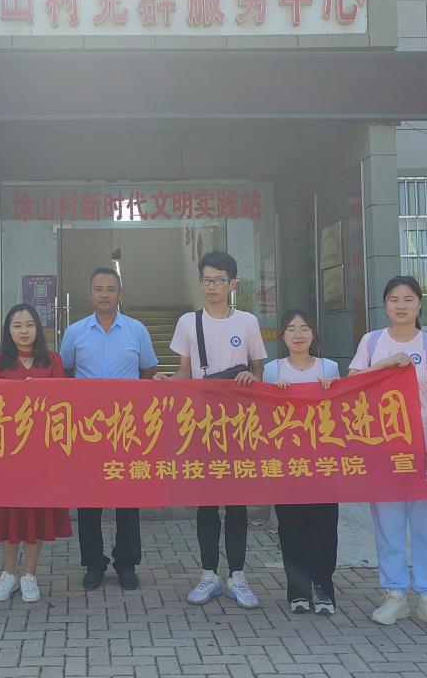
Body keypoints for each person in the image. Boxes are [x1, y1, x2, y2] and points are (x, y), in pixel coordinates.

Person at [349, 275, 427, 632]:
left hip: (422, 451)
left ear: (419, 304)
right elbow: (352, 385)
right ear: (385, 305)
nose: (401, 305)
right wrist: (384, 365)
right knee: (388, 526)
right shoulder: (372, 342)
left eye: (408, 299)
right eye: (394, 299)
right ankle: (394, 595)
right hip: (382, 453)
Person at [159, 251, 266, 609]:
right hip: (202, 423)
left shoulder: (248, 322)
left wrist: (251, 376)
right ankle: (208, 574)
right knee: (206, 504)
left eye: (219, 280)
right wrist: (168, 382)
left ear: (232, 283)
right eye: (206, 280)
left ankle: (237, 576)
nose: (212, 286)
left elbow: (259, 370)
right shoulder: (189, 322)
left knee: (237, 503)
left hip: (238, 423)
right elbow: (185, 371)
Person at [59, 267, 157, 592]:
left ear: (119, 294)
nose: (104, 294)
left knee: (127, 498)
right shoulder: (74, 332)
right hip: (87, 428)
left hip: (126, 428)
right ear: (89, 294)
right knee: (89, 498)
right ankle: (93, 564)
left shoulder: (137, 330)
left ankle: (126, 564)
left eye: (111, 289)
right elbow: (65, 371)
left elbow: (148, 370)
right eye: (98, 289)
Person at [0, 304, 72, 604]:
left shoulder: (53, 360)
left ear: (38, 329)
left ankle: (29, 574)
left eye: (29, 325)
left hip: (42, 453)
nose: (23, 331)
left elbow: (64, 403)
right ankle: (8, 573)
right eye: (17, 325)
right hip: (6, 453)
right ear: (8, 330)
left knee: (36, 513)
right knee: (8, 512)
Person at [264, 309, 341, 615]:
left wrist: (331, 392)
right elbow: (264, 416)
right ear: (283, 336)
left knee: (324, 527)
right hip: (286, 464)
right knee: (291, 528)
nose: (298, 334)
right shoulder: (272, 370)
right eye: (291, 329)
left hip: (323, 462)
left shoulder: (329, 367)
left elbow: (342, 413)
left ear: (313, 334)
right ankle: (298, 590)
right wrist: (275, 395)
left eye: (304, 328)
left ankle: (323, 588)